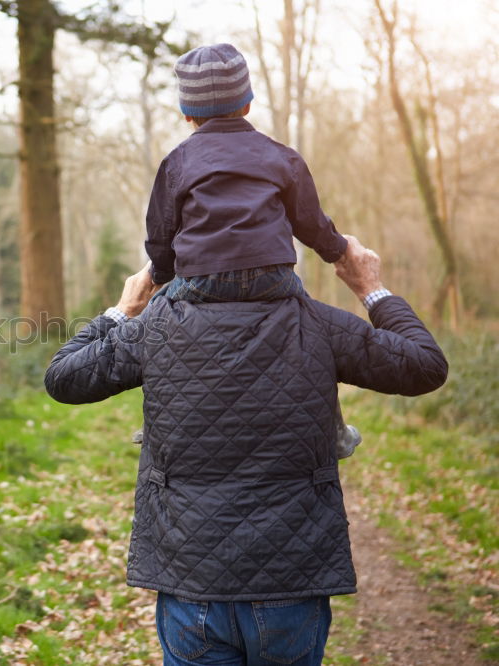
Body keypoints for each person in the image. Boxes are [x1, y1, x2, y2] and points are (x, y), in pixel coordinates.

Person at [44, 235, 447, 665]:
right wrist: (371, 289)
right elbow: (424, 365)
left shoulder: (156, 327)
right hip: (290, 586)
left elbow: (64, 377)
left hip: (192, 585)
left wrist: (122, 311)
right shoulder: (318, 323)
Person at [143, 43, 363, 458]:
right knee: (310, 331)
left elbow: (160, 231)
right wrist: (337, 251)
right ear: (247, 104)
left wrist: (161, 273)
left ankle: (153, 427)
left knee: (161, 333)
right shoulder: (281, 157)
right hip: (271, 277)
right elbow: (311, 223)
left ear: (186, 113)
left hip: (199, 281)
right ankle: (334, 431)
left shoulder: (178, 163)